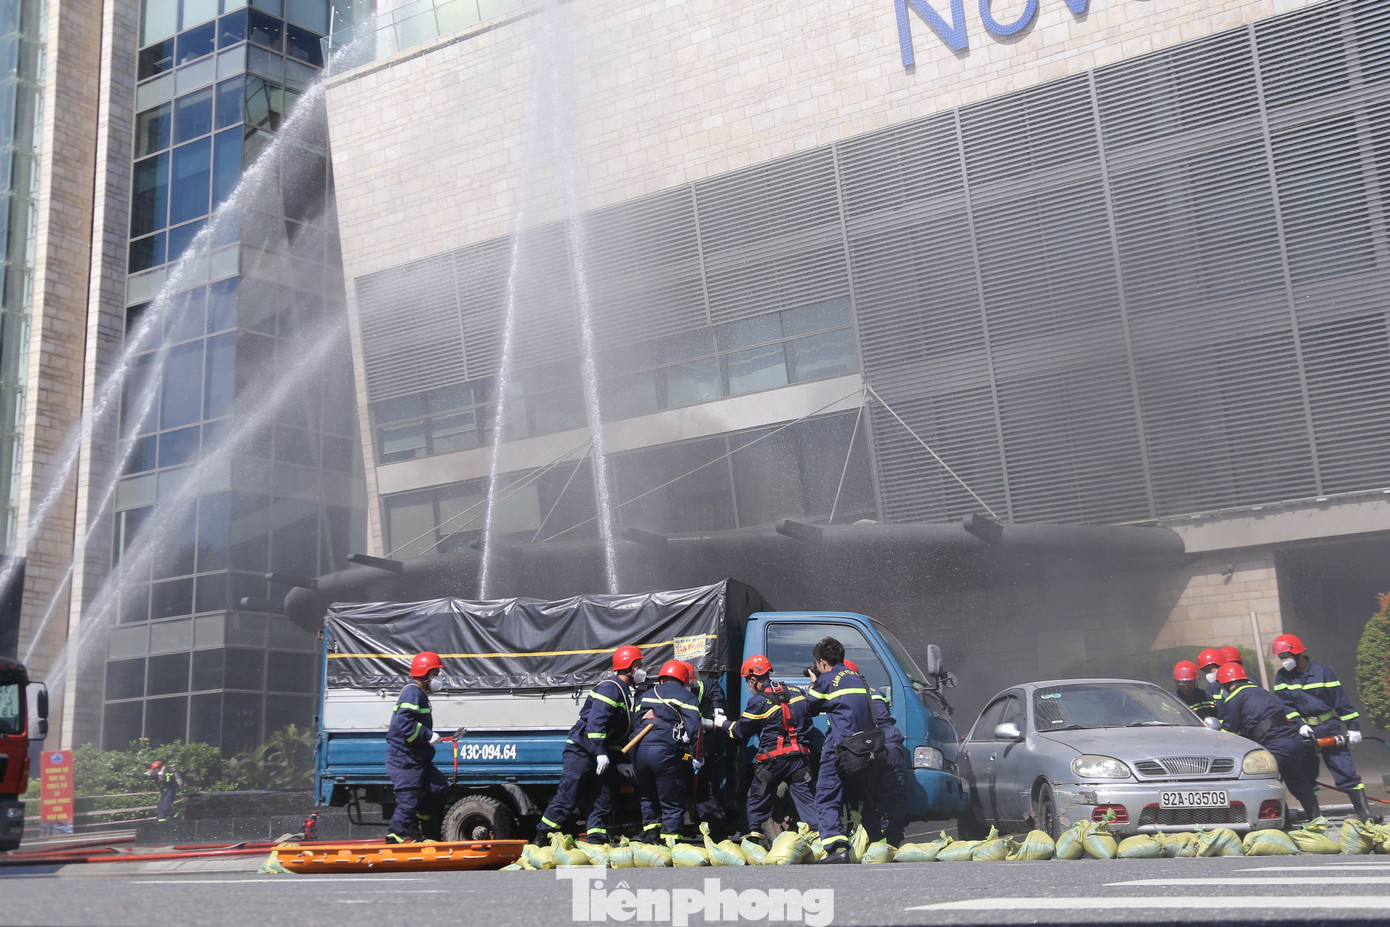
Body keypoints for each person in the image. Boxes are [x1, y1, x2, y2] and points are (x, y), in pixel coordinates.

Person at [536, 644, 644, 844]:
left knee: (601, 797)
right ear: (628, 667)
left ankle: (596, 839)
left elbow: (620, 731)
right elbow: (596, 723)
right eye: (638, 664)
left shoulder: (625, 692)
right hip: (582, 749)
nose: (641, 669)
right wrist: (600, 752)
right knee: (569, 794)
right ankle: (542, 836)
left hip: (601, 754)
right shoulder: (610, 688)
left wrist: (619, 758)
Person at [1270, 633, 1374, 821]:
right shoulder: (1282, 678)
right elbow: (1284, 705)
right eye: (1281, 658)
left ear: (1297, 654)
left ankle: (1365, 814)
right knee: (1306, 774)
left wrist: (1353, 727)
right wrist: (1299, 725)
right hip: (1304, 733)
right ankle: (1315, 819)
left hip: (1329, 728)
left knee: (1345, 771)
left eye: (1286, 657)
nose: (1283, 661)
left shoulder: (1323, 672)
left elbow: (1340, 701)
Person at [715, 655, 815, 846]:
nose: (748, 685)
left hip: (773, 762)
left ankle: (752, 842)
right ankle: (822, 842)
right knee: (808, 802)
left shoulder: (758, 702)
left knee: (756, 801)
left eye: (748, 681)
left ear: (754, 679)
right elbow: (807, 721)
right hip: (799, 760)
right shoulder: (796, 691)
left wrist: (723, 723)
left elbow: (739, 732)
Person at [805, 637, 881, 863]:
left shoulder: (826, 680)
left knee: (826, 795)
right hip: (865, 748)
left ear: (822, 662)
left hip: (840, 747)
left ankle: (836, 848)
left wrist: (813, 684)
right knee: (862, 796)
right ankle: (875, 844)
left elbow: (810, 708)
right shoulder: (857, 677)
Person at [1216, 662, 1321, 820]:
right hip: (1294, 741)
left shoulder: (1234, 698)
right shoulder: (1261, 691)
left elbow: (1229, 731)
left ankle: (1276, 822)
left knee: (1264, 782)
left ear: (1225, 682)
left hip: (1275, 745)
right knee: (1298, 782)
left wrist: (1215, 739)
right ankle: (1317, 821)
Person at [386, 650, 451, 843]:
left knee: (440, 789)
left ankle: (416, 823)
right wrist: (428, 735)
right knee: (407, 805)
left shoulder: (419, 693)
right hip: (404, 759)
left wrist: (428, 739)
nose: (438, 678)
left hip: (418, 758)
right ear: (425, 674)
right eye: (435, 673)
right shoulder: (412, 692)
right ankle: (392, 840)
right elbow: (403, 725)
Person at [633, 660, 702, 844]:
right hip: (664, 751)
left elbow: (636, 724)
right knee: (671, 797)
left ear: (662, 679)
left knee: (648, 796)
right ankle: (671, 842)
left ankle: (650, 836)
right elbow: (696, 731)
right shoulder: (686, 697)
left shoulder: (645, 695)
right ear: (684, 680)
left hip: (639, 750)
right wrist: (697, 756)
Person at [845, 658, 906, 846]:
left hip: (870, 745)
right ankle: (893, 841)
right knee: (893, 796)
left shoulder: (846, 693)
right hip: (891, 743)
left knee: (863, 795)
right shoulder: (875, 690)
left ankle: (873, 840)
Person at [684, 662, 731, 841]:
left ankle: (716, 833)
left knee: (705, 787)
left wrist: (718, 709)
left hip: (701, 744)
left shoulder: (706, 685)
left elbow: (714, 690)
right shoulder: (668, 692)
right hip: (679, 747)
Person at [1196, 647, 1227, 725]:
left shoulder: (1233, 684)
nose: (1208, 674)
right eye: (1205, 672)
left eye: (1209, 670)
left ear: (1220, 665)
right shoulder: (1211, 688)